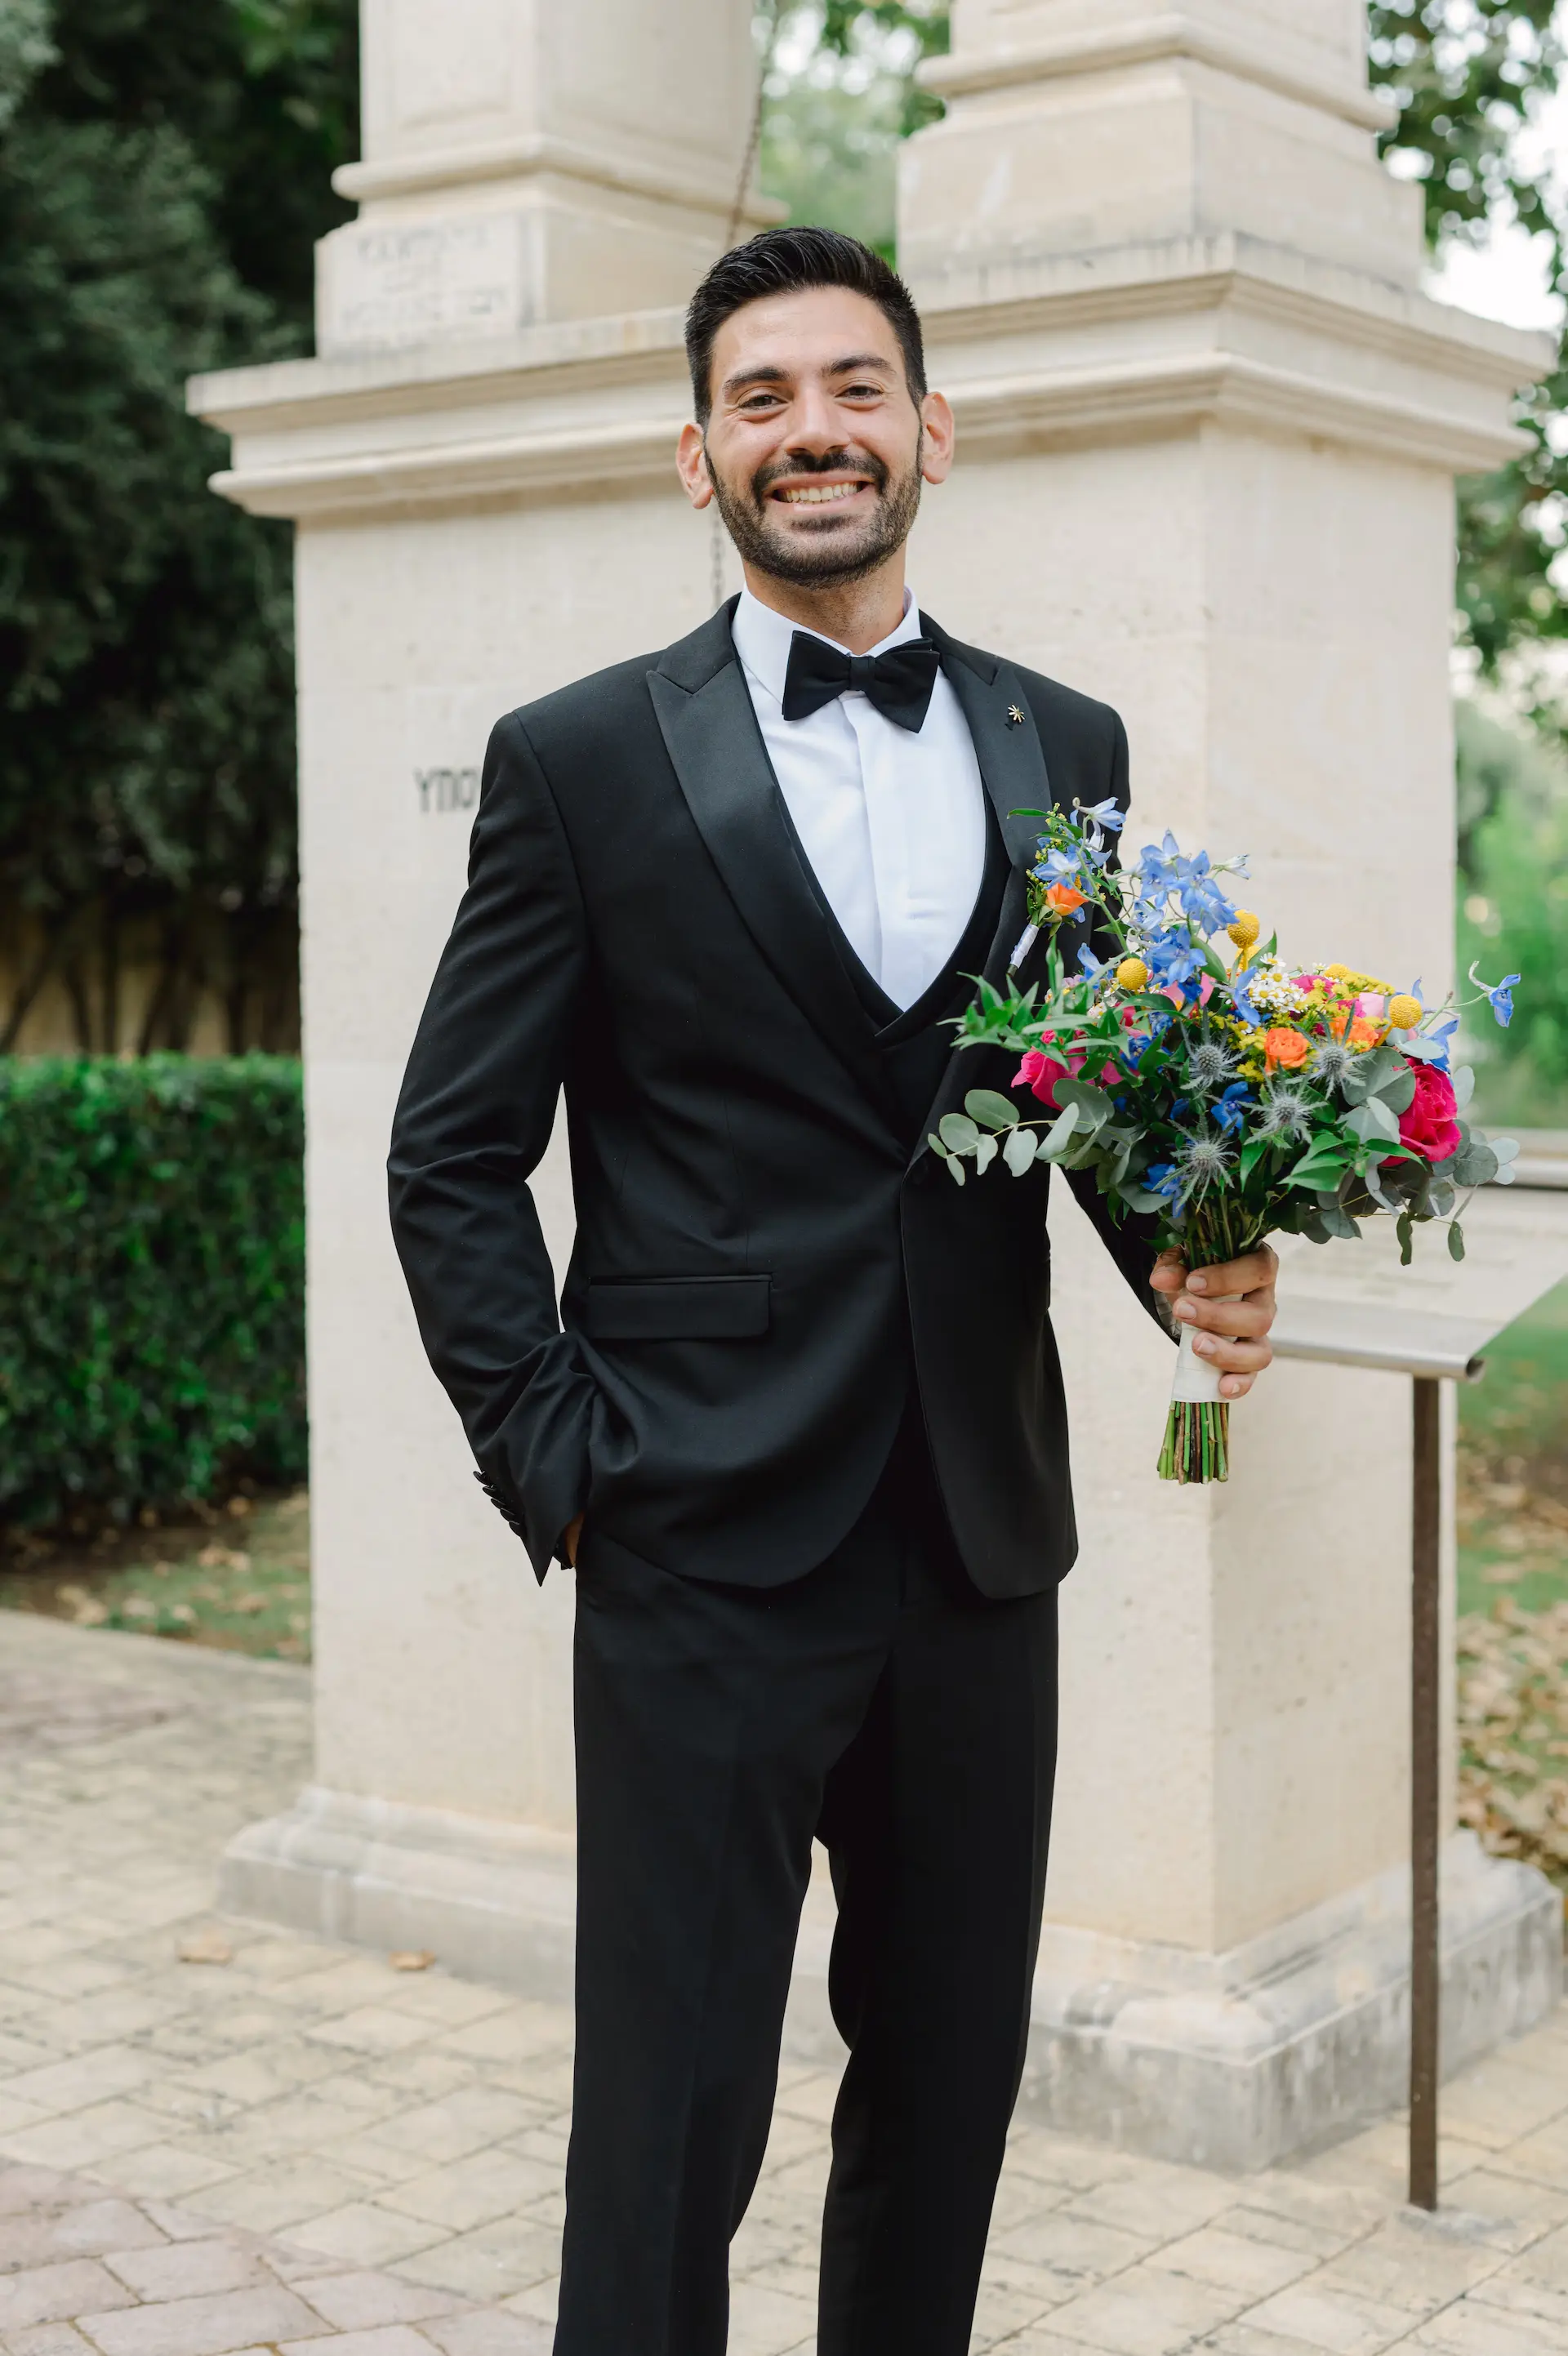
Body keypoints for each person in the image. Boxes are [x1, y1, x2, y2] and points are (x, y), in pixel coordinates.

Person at [388, 225, 1278, 2356]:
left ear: (930, 430)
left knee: (947, 2078)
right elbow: (450, 1150)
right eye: (764, 397)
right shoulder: (582, 757)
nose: (815, 430)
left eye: (854, 387)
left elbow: (1080, 1086)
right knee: (672, 2112)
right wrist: (564, 1457)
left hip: (982, 1535)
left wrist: (1194, 1254)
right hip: (693, 1538)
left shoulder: (1069, 739)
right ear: (699, 457)